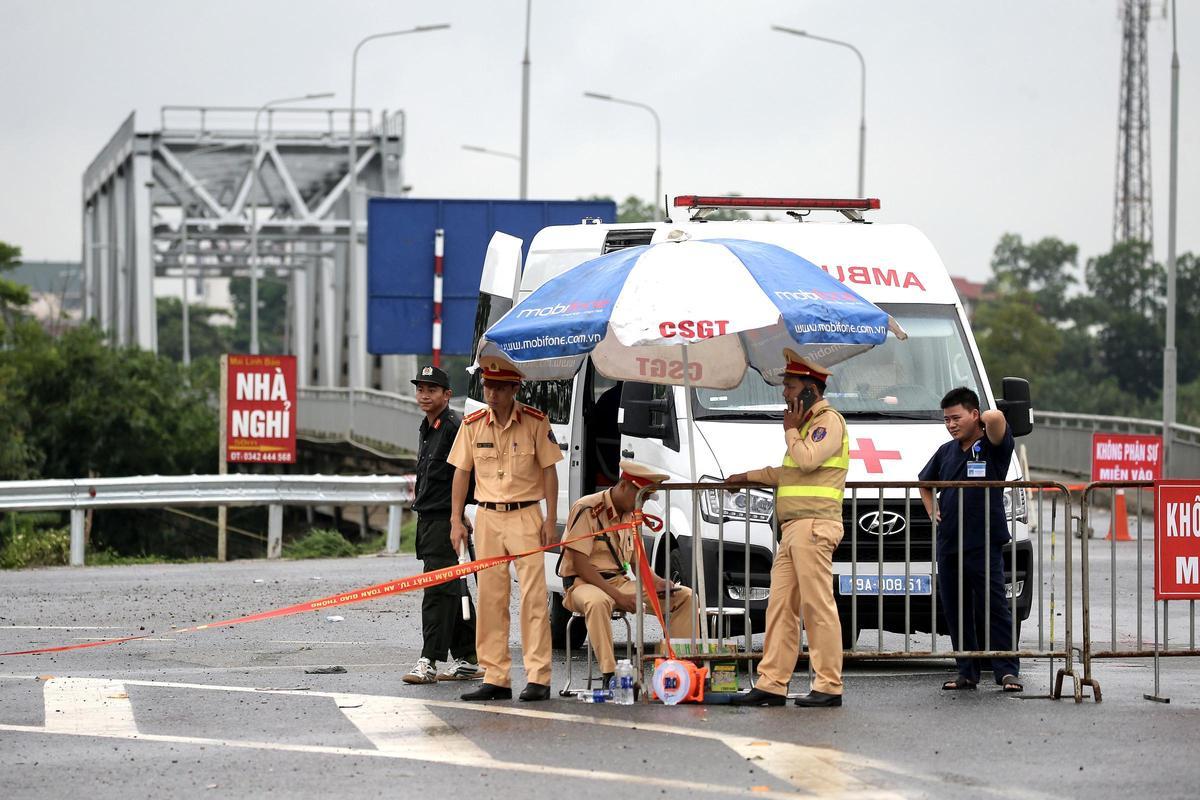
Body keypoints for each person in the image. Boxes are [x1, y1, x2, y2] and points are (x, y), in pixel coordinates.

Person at [726, 350, 848, 708]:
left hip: (813, 528)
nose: (784, 394)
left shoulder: (828, 422)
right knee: (779, 608)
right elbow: (789, 474)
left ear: (810, 389)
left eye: (790, 386)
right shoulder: (808, 427)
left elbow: (807, 461)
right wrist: (745, 477)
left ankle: (828, 685)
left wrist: (790, 432)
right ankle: (772, 683)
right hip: (794, 529)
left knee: (817, 608)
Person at [447, 356, 563, 701]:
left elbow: (549, 472)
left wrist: (550, 519)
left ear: (515, 388)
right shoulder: (473, 425)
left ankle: (538, 676)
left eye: (499, 387)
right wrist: (456, 518)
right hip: (488, 517)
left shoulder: (535, 422)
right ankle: (496, 676)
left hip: (526, 514)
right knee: (492, 598)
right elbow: (461, 472)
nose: (492, 393)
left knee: (532, 598)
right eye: (487, 386)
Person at [918, 387, 1022, 693]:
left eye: (956, 418)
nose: (950, 425)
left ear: (974, 415)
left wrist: (982, 416)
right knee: (955, 609)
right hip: (949, 543)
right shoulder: (946, 452)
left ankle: (1006, 670)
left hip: (983, 541)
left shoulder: (993, 446)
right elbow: (924, 483)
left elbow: (997, 418)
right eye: (946, 419)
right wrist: (931, 508)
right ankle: (966, 672)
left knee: (994, 607)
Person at [560, 460, 699, 682]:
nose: (642, 504)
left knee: (684, 596)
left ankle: (683, 668)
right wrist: (619, 596)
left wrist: (657, 582)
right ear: (625, 485)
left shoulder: (631, 514)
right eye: (641, 496)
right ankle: (609, 673)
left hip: (618, 582)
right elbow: (580, 564)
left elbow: (637, 561)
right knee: (598, 601)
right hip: (582, 584)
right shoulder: (587, 508)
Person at [403, 365, 484, 686]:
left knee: (438, 592)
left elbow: (470, 474)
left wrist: (460, 516)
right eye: (421, 389)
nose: (424, 395)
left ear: (447, 395)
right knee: (453, 589)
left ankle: (429, 660)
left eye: (432, 390)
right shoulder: (429, 426)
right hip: (430, 521)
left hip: (445, 522)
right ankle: (467, 659)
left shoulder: (453, 427)